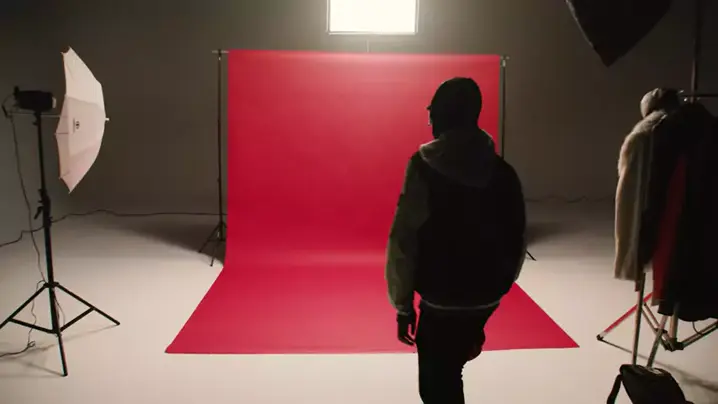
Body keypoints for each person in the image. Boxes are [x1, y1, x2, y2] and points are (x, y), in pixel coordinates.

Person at [385, 77, 527, 404]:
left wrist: (402, 306)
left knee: (436, 387)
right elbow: (518, 237)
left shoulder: (422, 168)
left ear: (441, 116)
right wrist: (497, 288)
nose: (430, 122)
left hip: (440, 298)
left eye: (431, 114)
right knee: (451, 371)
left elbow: (403, 240)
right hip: (487, 297)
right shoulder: (504, 172)